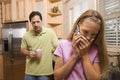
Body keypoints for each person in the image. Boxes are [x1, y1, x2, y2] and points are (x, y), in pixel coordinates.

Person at [54, 9, 109, 80]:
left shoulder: (95, 49)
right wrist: (75, 56)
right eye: (85, 32)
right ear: (77, 27)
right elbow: (57, 77)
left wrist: (85, 55)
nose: (88, 38)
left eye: (93, 35)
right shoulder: (63, 44)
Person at [21, 11, 59, 80]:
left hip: (44, 72)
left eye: (38, 21)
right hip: (30, 72)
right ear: (31, 23)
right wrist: (28, 53)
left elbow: (58, 47)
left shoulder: (50, 32)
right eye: (33, 22)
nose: (36, 24)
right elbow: (22, 50)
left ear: (41, 21)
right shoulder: (26, 35)